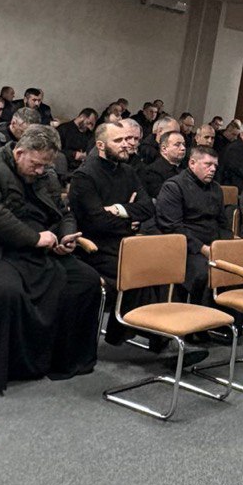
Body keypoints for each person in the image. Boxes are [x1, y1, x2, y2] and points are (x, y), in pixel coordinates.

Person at [0, 125, 100, 393]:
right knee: (3, 292)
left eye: (46, 165)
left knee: (85, 281)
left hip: (38, 249)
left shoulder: (46, 175)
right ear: (19, 152)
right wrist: (34, 238)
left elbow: (64, 213)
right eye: (36, 164)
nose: (41, 171)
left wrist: (65, 236)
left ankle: (61, 361)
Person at [69, 121, 158, 345]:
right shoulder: (85, 176)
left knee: (158, 266)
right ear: (100, 145)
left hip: (123, 243)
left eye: (127, 139)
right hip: (94, 247)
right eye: (118, 140)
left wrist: (119, 209)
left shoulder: (128, 171)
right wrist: (130, 220)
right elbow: (96, 221)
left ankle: (142, 333)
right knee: (142, 269)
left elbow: (148, 208)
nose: (126, 144)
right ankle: (146, 336)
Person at [154, 146, 231, 298]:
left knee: (239, 268)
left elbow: (223, 223)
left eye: (215, 165)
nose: (213, 169)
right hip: (186, 249)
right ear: (192, 163)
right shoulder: (173, 187)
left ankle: (227, 313)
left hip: (214, 245)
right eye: (208, 164)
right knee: (207, 273)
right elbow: (173, 227)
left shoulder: (216, 188)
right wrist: (203, 248)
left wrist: (225, 246)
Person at [142, 129, 187, 198]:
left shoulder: (188, 167)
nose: (183, 148)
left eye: (184, 144)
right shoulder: (152, 171)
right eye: (177, 145)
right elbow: (163, 196)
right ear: (164, 149)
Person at [56, 108, 98, 174]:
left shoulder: (89, 134)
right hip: (65, 167)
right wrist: (73, 154)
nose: (90, 128)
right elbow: (55, 150)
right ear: (82, 117)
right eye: (89, 123)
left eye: (92, 125)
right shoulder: (63, 129)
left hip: (82, 168)